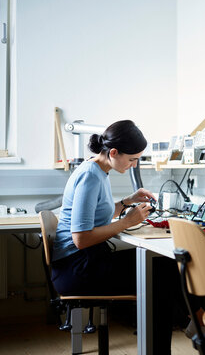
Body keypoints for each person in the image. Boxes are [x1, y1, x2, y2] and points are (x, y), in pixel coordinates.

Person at [51, 120, 190, 354]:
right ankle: (190, 323)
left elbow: (98, 214)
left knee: (164, 266)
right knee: (162, 273)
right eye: (132, 159)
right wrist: (127, 222)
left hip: (85, 260)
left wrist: (128, 200)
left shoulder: (98, 170)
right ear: (114, 152)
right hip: (76, 269)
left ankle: (190, 321)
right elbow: (81, 239)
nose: (134, 165)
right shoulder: (90, 176)